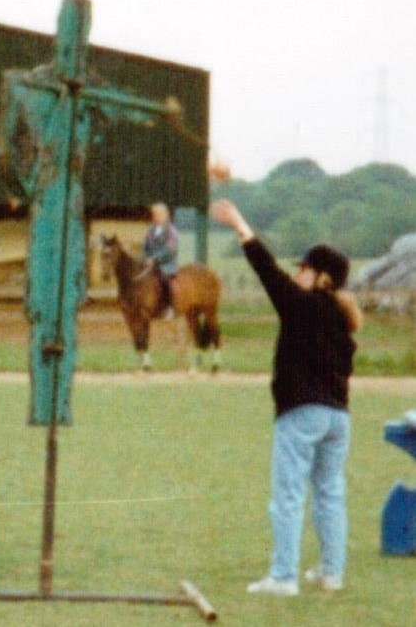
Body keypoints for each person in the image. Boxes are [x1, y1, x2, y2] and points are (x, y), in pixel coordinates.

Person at [209, 198, 362, 597]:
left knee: (288, 496)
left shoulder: (300, 305)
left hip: (302, 414)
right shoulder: (343, 321)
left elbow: (266, 268)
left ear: (322, 276)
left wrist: (239, 223)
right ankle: (331, 573)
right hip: (338, 419)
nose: (297, 274)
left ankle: (283, 577)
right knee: (330, 494)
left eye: (304, 268)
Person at [142, 202, 179, 317]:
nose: (156, 217)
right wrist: (146, 258)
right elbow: (145, 247)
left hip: (166, 265)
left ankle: (169, 307)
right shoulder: (149, 230)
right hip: (150, 264)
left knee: (164, 280)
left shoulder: (171, 231)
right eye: (155, 215)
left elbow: (170, 250)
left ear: (166, 215)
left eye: (159, 215)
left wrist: (154, 259)